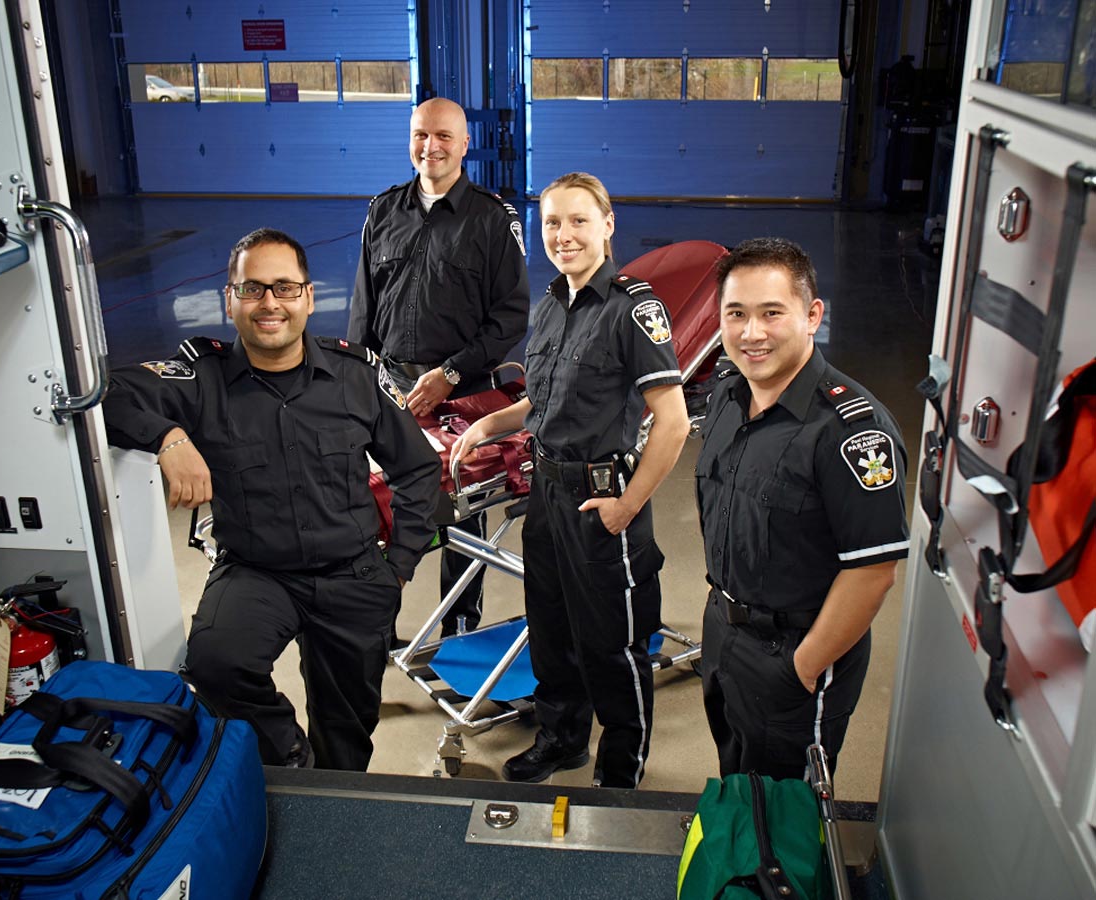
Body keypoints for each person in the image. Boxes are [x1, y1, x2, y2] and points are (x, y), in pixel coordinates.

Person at [102, 227, 440, 771]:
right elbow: (104, 391)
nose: (269, 304)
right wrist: (169, 437)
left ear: (308, 297)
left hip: (352, 576)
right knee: (216, 668)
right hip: (256, 572)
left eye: (284, 288)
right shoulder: (199, 378)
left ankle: (337, 800)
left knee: (348, 729)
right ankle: (289, 757)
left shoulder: (356, 376)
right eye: (252, 289)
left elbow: (419, 469)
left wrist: (397, 566)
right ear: (229, 300)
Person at [451, 172, 690, 788]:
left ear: (608, 225)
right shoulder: (552, 303)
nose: (563, 235)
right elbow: (540, 399)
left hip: (603, 496)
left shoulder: (633, 309)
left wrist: (627, 506)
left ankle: (621, 767)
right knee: (552, 628)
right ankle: (561, 740)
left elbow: (673, 422)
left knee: (614, 644)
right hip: (547, 492)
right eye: (552, 222)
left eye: (579, 220)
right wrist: (486, 427)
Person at [695, 237, 909, 780]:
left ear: (813, 315)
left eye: (772, 313)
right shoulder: (727, 393)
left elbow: (873, 572)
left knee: (787, 815)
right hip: (724, 631)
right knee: (739, 781)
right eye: (735, 314)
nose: (752, 334)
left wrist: (805, 667)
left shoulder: (852, 432)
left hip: (795, 653)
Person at [348, 96, 530, 638]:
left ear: (465, 143)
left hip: (461, 392)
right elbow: (363, 307)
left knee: (461, 509)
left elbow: (509, 317)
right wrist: (358, 378)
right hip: (388, 387)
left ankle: (460, 631)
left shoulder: (494, 219)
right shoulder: (382, 210)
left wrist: (450, 373)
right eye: (421, 135)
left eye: (444, 136)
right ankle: (376, 629)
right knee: (372, 507)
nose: (431, 147)